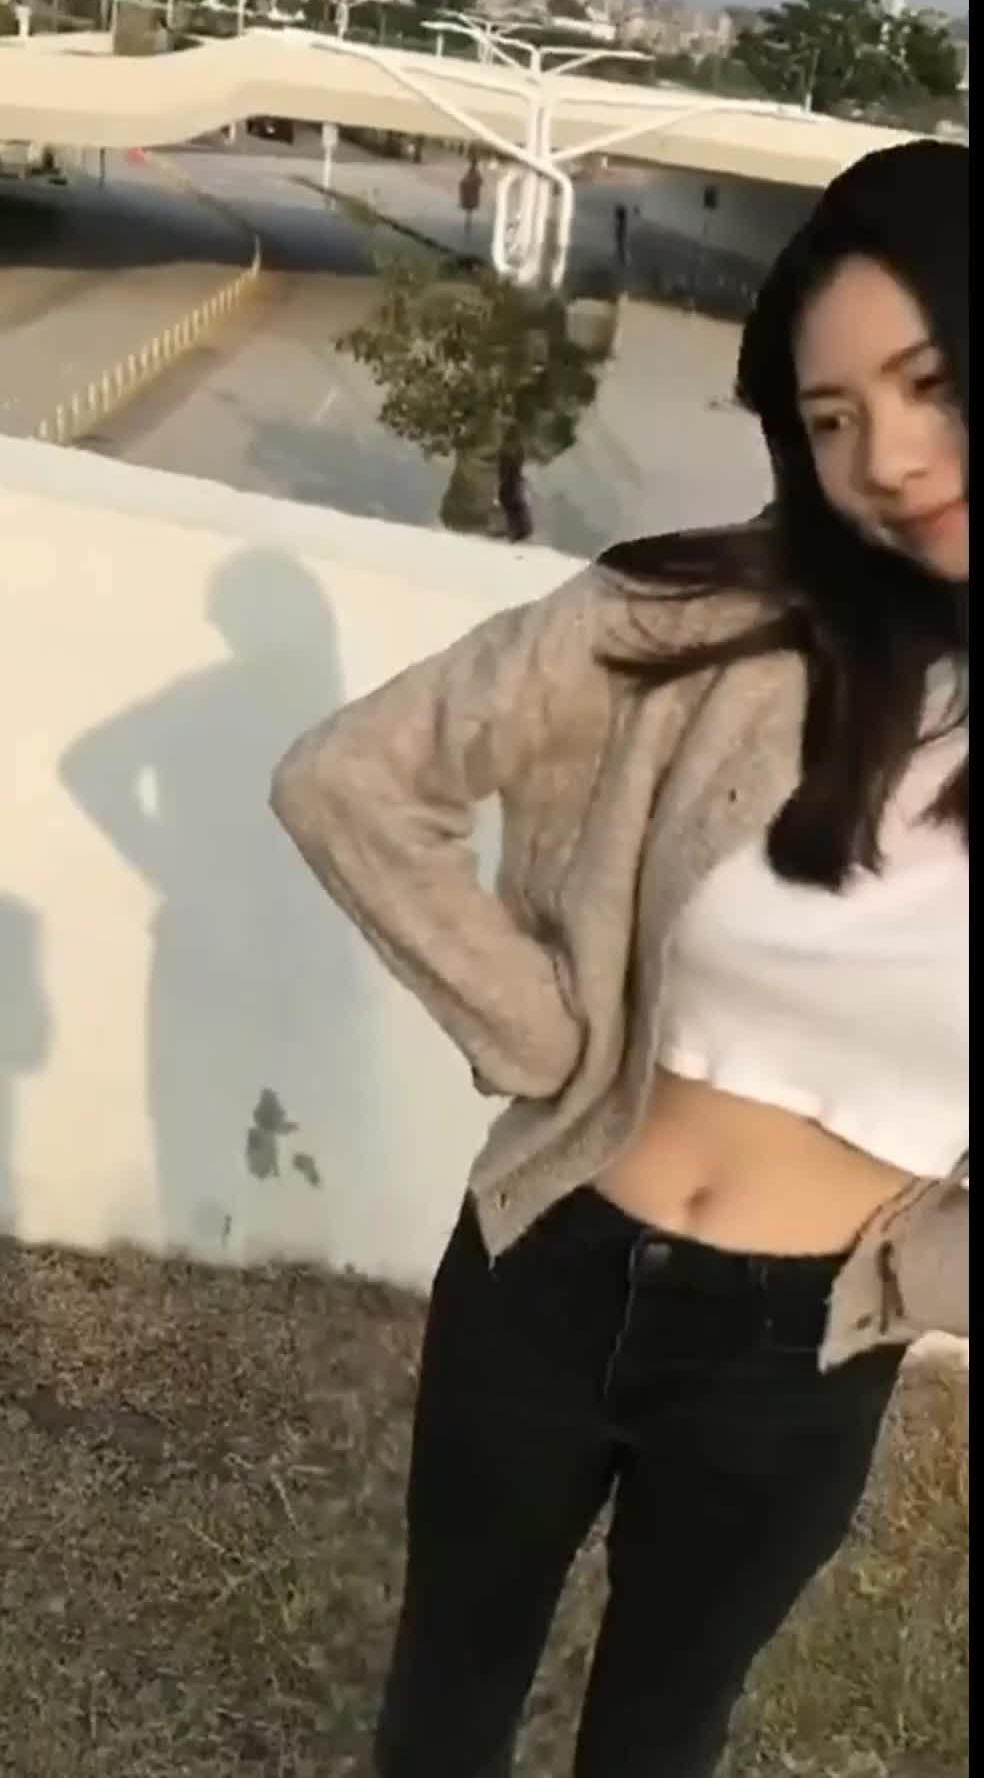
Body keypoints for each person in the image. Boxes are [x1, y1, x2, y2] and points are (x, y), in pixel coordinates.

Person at [270, 141, 968, 1778]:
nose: (888, 459)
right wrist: (539, 1036)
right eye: (831, 419)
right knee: (446, 1706)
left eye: (931, 383)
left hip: (802, 1351)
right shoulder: (704, 623)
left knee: (658, 1735)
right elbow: (349, 781)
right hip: (550, 1264)